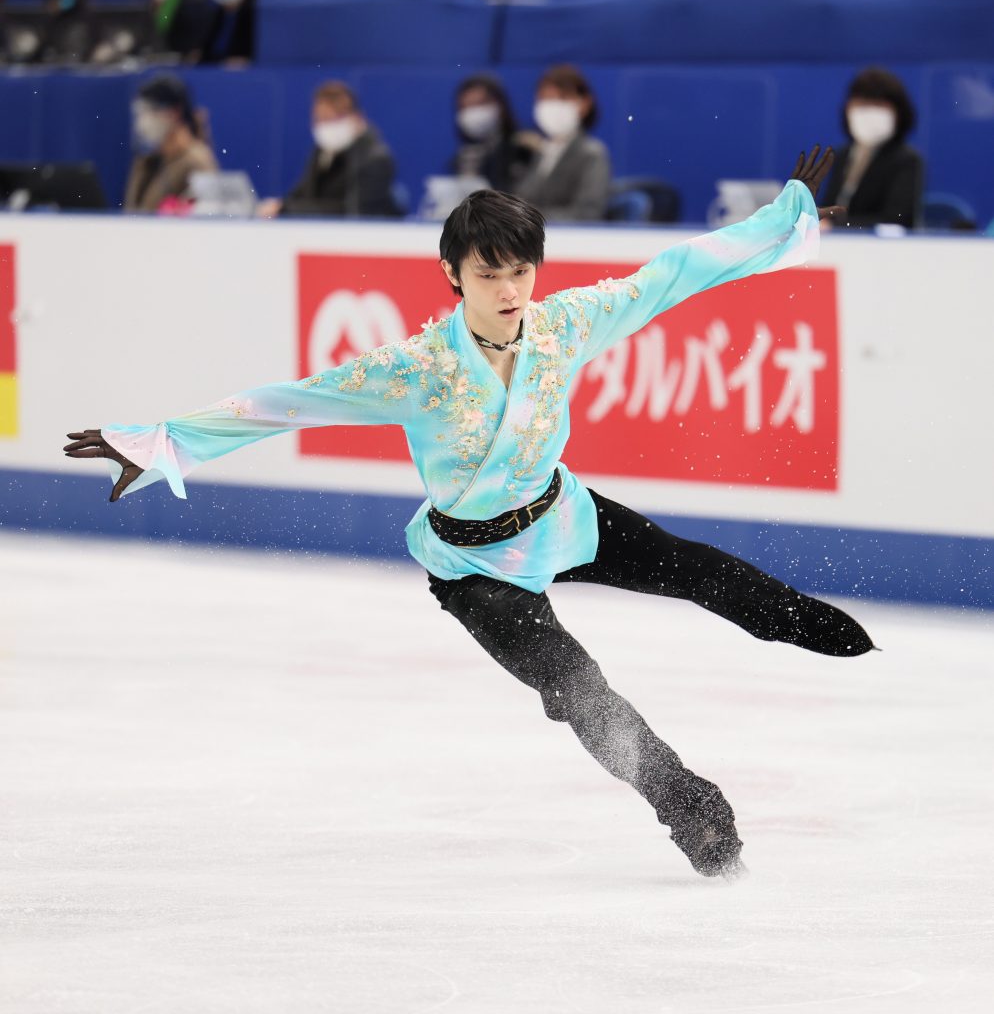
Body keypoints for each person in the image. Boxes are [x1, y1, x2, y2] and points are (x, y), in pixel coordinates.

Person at [65, 146, 870, 880]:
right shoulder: (414, 369)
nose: (510, 290)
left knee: (701, 570)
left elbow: (673, 272)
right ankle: (691, 811)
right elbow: (285, 404)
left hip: (563, 517)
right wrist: (162, 440)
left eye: (521, 270)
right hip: (475, 567)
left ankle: (816, 629)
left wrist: (783, 220)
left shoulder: (565, 324)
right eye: (489, 274)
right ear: (453, 273)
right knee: (578, 690)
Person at [256, 81, 400, 219]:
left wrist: (286, 209)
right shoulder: (324, 149)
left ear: (356, 118)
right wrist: (280, 206)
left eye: (332, 119)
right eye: (320, 119)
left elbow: (354, 210)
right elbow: (304, 193)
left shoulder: (375, 159)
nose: (325, 126)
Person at [819, 67, 924, 230]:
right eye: (862, 105)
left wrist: (836, 226)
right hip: (836, 247)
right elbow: (827, 210)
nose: (869, 114)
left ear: (898, 112)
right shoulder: (842, 155)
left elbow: (897, 219)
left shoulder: (907, 160)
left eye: (878, 105)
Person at [513, 64, 611, 222]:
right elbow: (522, 199)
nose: (552, 106)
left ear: (585, 103)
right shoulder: (539, 151)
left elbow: (588, 213)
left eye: (562, 98)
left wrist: (530, 220)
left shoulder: (592, 153)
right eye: (545, 99)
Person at [124, 73, 218, 215]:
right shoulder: (147, 160)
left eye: (151, 111)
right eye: (140, 112)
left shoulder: (197, 162)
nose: (143, 121)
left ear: (174, 112)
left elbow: (206, 219)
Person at [450, 73, 533, 193]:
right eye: (466, 107)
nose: (474, 113)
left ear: (500, 105)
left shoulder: (523, 149)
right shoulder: (461, 159)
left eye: (480, 104)